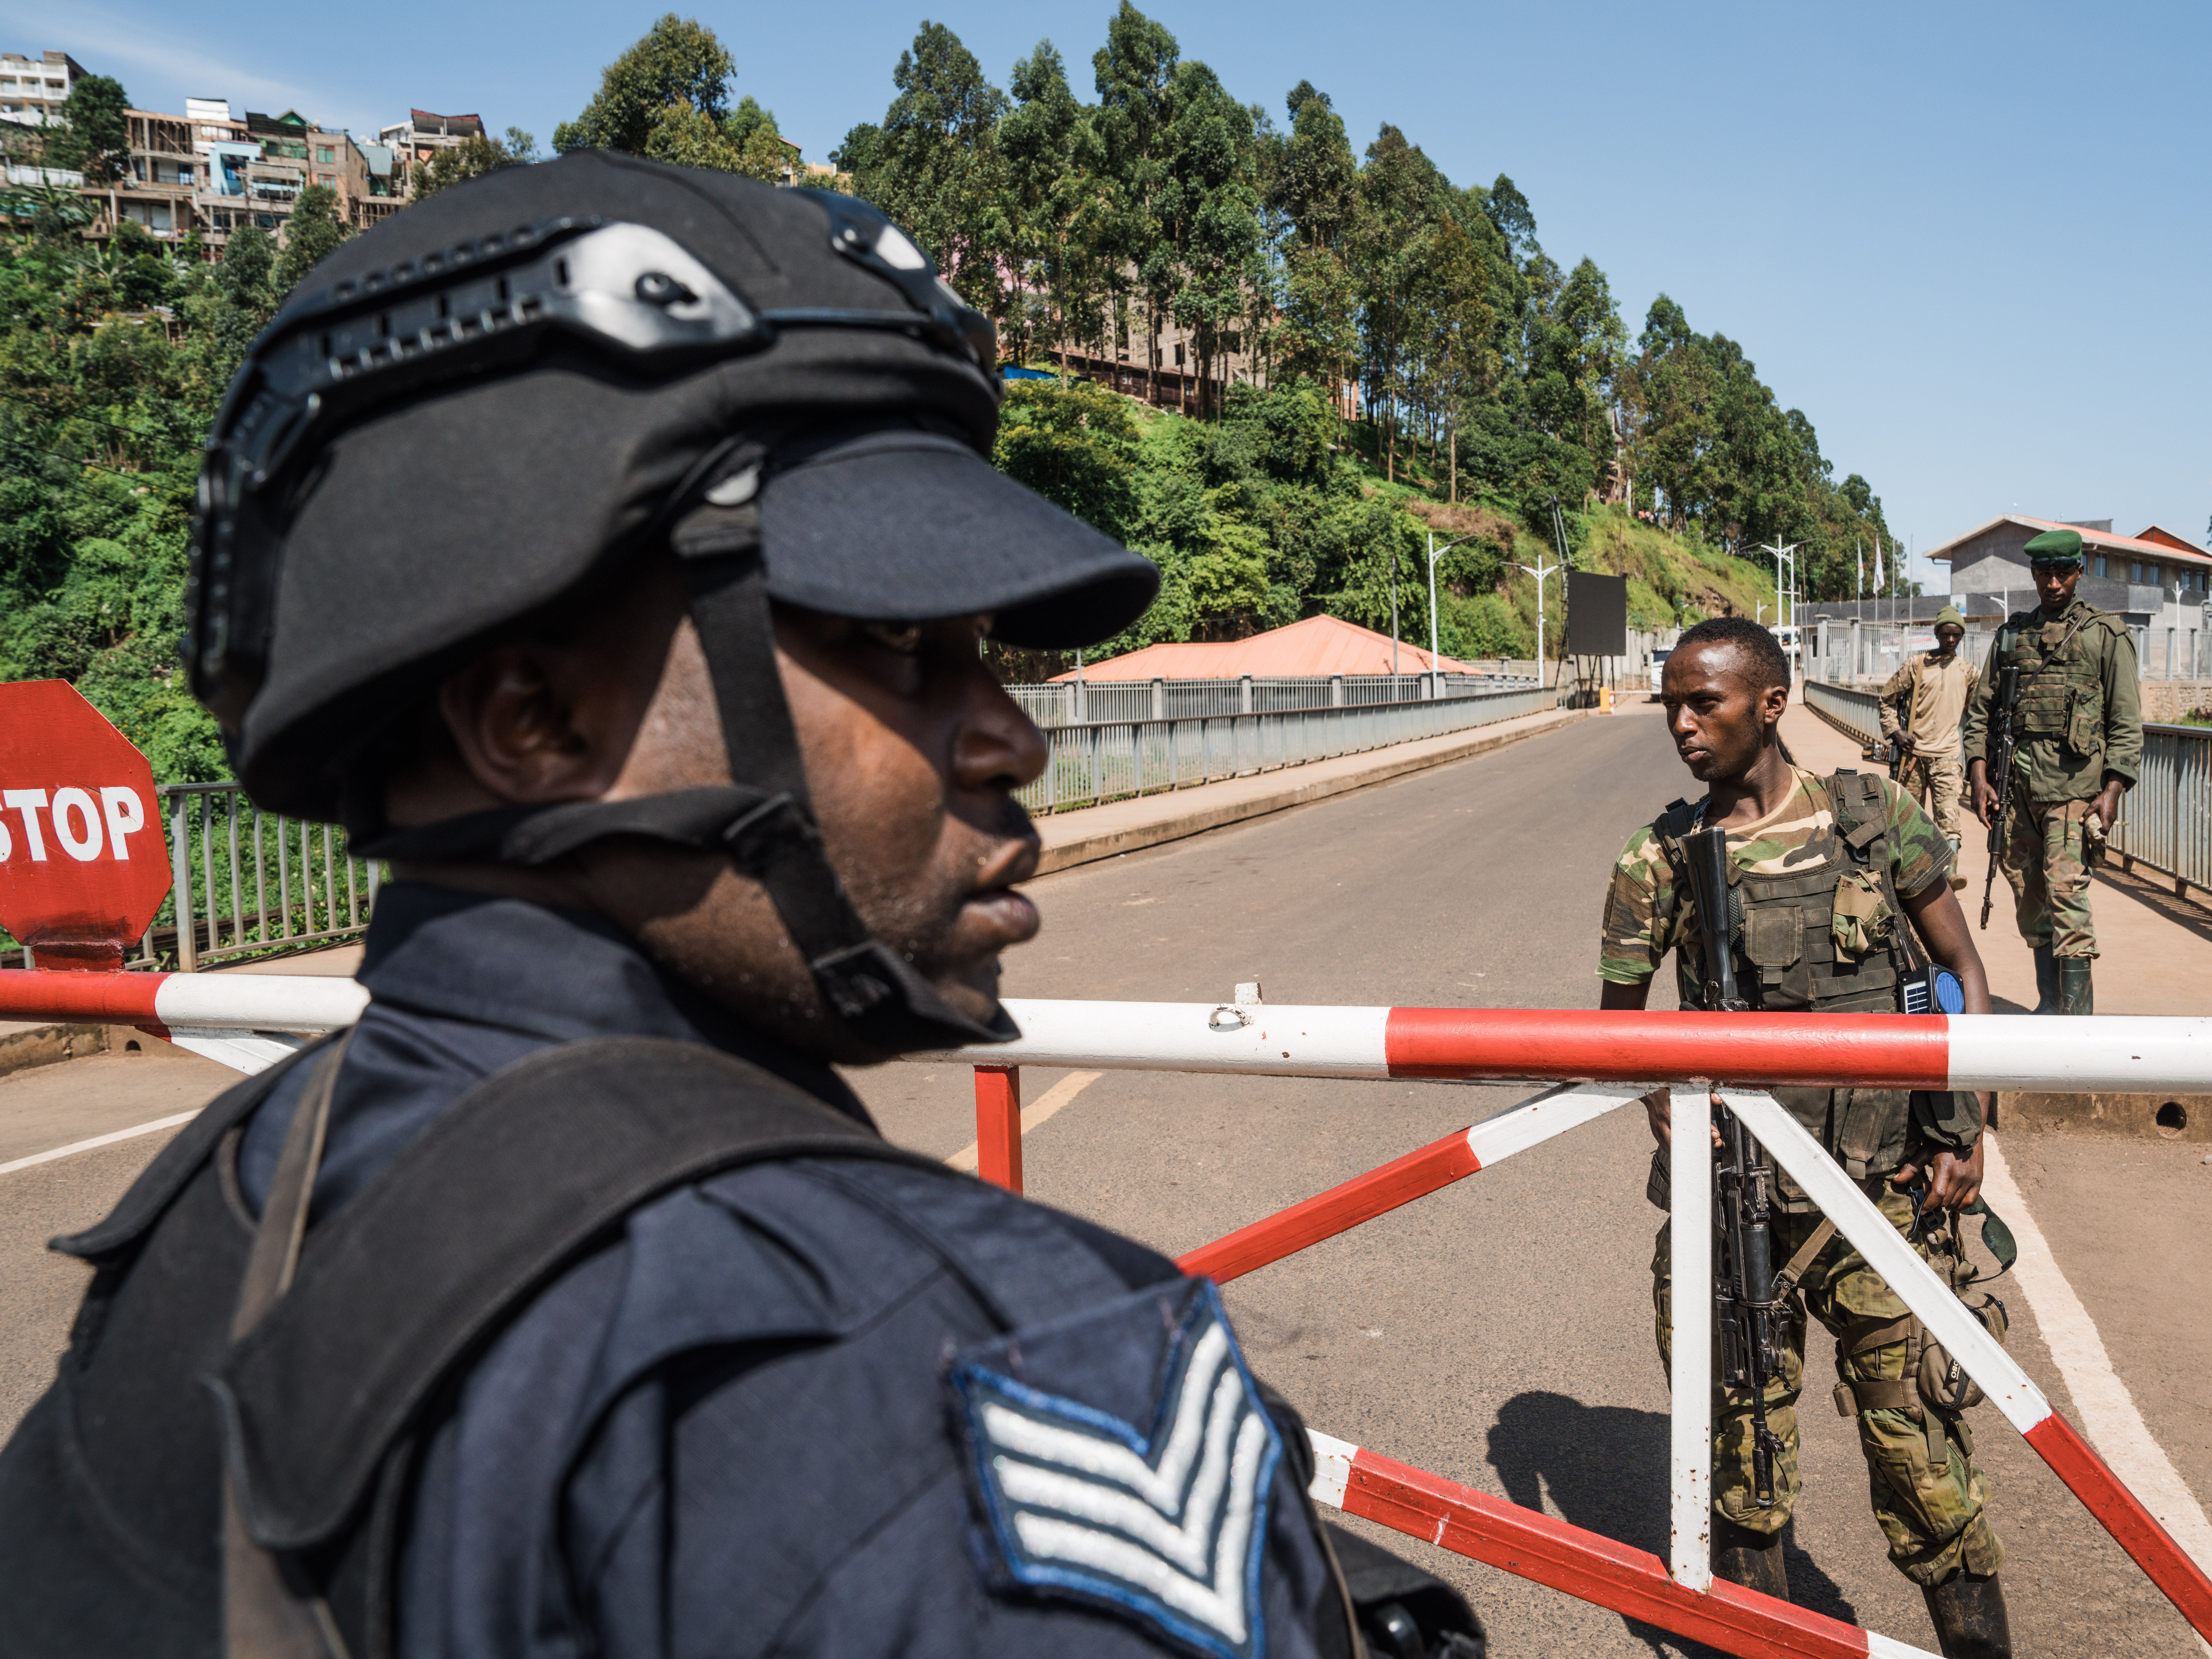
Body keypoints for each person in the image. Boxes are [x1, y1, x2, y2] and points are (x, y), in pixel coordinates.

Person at [0, 155, 1485, 1659]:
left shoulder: (242, 1187)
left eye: (989, 649)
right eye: (903, 644)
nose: (1012, 736)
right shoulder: (948, 1362)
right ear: (531, 717)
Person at [1596, 617, 2012, 1659]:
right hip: (1736, 1206)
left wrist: (1963, 1124)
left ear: (1771, 703)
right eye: (1671, 706)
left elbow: (1960, 971)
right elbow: (1608, 1021)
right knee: (1744, 1472)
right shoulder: (1659, 859)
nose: (1682, 726)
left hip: (1877, 1196)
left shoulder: (1872, 823)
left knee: (1923, 1463)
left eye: (1706, 704)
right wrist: (1662, 1094)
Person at [1961, 528, 2141, 1016]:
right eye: (2044, 573)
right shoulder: (2011, 636)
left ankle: (2077, 1018)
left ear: (2078, 572)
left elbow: (2125, 723)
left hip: (2074, 794)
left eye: (2063, 572)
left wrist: (2113, 789)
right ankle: (2050, 1003)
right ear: (2033, 575)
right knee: (2029, 898)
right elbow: (1979, 714)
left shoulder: (2105, 635)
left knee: (2067, 898)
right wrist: (1978, 776)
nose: (2054, 583)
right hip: (2017, 793)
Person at [1879, 606, 1979, 887]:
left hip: (1947, 756)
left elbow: (1978, 710)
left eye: (1956, 635)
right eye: (1946, 634)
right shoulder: (1916, 666)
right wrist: (1895, 732)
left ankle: (1950, 871)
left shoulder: (1968, 672)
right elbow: (1886, 699)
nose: (1950, 640)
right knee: (1907, 818)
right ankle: (1906, 874)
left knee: (1949, 816)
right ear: (1936, 634)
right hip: (1914, 757)